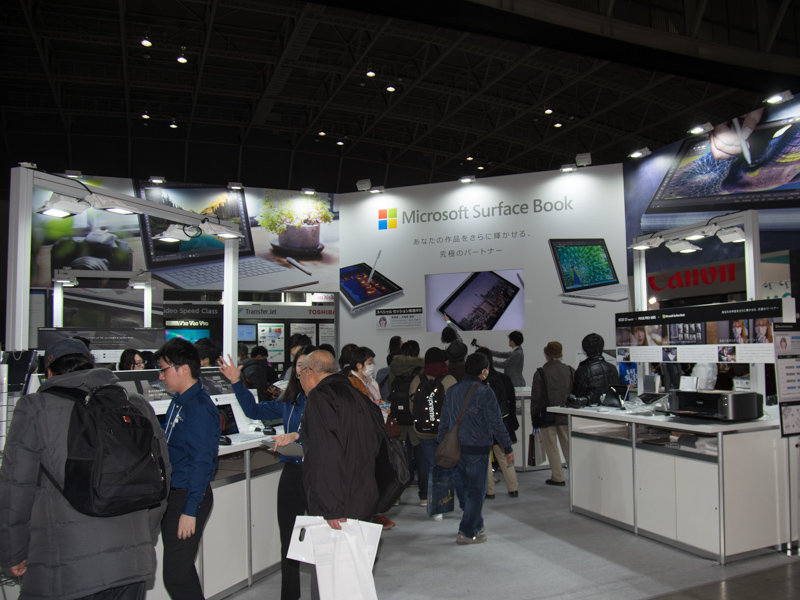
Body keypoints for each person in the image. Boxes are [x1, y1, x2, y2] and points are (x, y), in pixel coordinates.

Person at [0, 338, 171, 599]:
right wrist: (143, 537)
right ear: (91, 364)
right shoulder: (135, 404)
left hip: (65, 569)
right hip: (132, 564)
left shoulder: (35, 408)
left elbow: (16, 488)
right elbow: (162, 476)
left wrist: (12, 552)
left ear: (48, 372)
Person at [219, 345, 315, 600]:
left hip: (318, 475)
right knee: (289, 540)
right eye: (298, 365)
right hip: (292, 473)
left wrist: (299, 437)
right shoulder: (290, 400)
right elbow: (254, 411)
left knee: (321, 538)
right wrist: (237, 383)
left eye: (307, 365)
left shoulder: (327, 399)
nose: (302, 370)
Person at [155, 338, 221, 600]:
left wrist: (190, 510)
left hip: (188, 496)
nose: (161, 377)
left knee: (176, 576)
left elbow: (201, 463)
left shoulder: (199, 408)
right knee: (181, 570)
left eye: (164, 370)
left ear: (183, 369)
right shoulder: (179, 400)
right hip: (174, 494)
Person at [299, 350, 386, 529]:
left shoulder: (320, 397)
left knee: (334, 547)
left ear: (309, 372)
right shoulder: (358, 395)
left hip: (339, 502)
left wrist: (332, 507)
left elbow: (325, 453)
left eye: (299, 375)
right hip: (364, 494)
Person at [438, 352, 514, 545]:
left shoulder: (452, 389)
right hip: (477, 449)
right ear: (484, 371)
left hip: (455, 449)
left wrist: (442, 442)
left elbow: (444, 420)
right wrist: (507, 447)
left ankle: (476, 523)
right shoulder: (485, 392)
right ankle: (466, 532)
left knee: (466, 489)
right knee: (476, 492)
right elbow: (496, 423)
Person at [347, 346, 396, 530]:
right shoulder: (350, 383)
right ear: (359, 365)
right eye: (369, 363)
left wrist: (384, 408)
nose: (372, 366)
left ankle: (375, 512)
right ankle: (367, 514)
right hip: (362, 434)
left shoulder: (371, 382)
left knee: (377, 474)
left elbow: (377, 401)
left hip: (378, 430)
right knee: (365, 477)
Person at [409, 346, 457, 516]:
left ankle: (434, 506)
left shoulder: (417, 379)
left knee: (431, 466)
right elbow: (456, 407)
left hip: (423, 432)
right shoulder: (450, 380)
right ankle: (443, 501)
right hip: (446, 433)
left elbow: (412, 407)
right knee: (446, 466)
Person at [475, 347, 519, 498]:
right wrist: (512, 421)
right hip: (502, 423)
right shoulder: (504, 379)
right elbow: (511, 402)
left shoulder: (476, 382)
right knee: (505, 456)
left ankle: (490, 491)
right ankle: (513, 488)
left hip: (483, 426)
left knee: (485, 459)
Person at [530, 341, 574, 486]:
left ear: (547, 354)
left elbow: (536, 397)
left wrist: (534, 417)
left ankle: (558, 476)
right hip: (566, 414)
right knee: (568, 446)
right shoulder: (570, 370)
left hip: (547, 416)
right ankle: (575, 476)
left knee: (551, 447)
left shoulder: (541, 373)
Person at [387, 340, 425, 486]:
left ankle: (404, 482)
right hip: (416, 416)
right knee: (420, 452)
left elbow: (390, 389)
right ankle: (423, 488)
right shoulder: (421, 369)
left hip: (398, 415)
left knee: (402, 451)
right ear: (417, 352)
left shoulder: (394, 368)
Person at [573, 333, 620, 405]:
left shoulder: (583, 370)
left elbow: (576, 396)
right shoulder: (612, 368)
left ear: (585, 349)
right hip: (610, 408)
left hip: (587, 409)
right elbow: (616, 392)